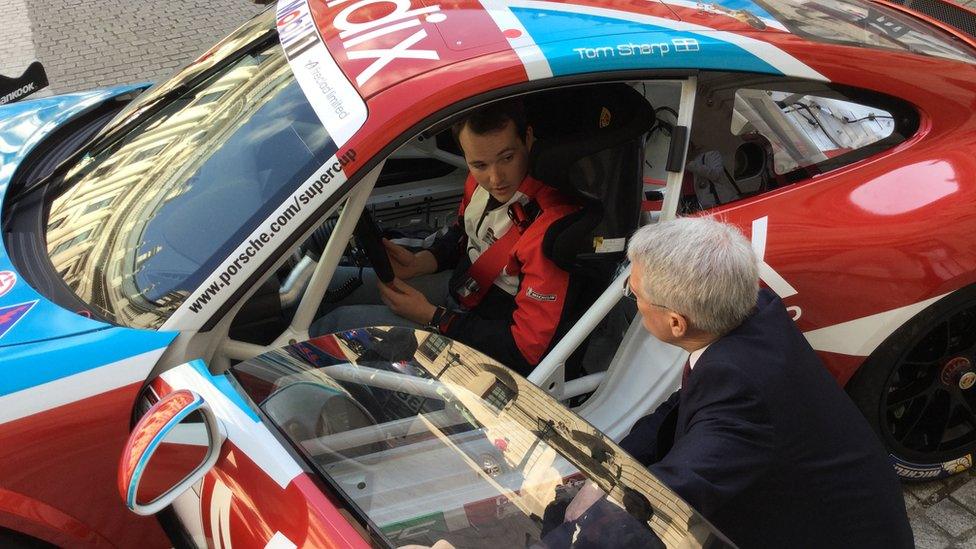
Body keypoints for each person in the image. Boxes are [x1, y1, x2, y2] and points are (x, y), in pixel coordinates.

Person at [565, 217, 913, 548]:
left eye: (635, 292)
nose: (633, 296)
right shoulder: (755, 312)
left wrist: (595, 520)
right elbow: (682, 405)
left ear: (676, 323)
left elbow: (671, 495)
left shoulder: (740, 401)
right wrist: (615, 466)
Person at [312, 100, 580, 375]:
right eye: (479, 163)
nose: (496, 177)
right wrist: (424, 261)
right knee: (325, 286)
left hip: (482, 338)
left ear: (528, 139)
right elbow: (461, 234)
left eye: (507, 158)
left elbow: (525, 350)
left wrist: (433, 317)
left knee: (334, 324)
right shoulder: (477, 184)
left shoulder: (551, 229)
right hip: (460, 292)